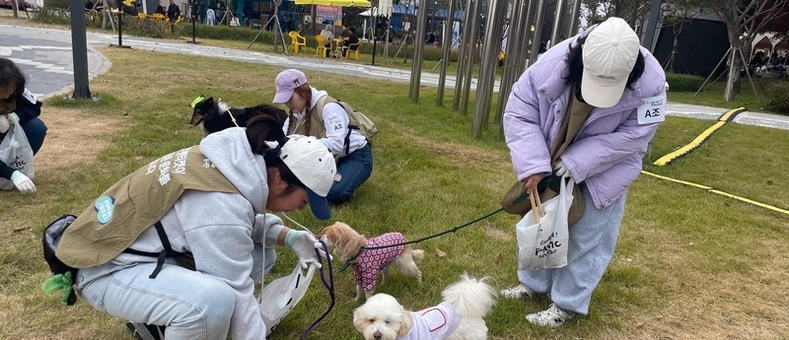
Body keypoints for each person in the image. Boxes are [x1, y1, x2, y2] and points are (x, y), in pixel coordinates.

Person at [55, 116, 336, 340]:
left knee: (262, 255)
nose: (301, 209)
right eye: (304, 200)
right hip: (104, 269)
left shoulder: (235, 162)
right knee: (212, 304)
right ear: (278, 178)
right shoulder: (221, 201)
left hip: (128, 251)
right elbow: (234, 278)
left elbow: (231, 228)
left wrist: (289, 237)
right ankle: (183, 317)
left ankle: (162, 325)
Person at [500, 17, 666, 328]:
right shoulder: (550, 64)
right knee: (543, 223)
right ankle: (533, 285)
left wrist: (578, 162)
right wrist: (534, 164)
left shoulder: (652, 84)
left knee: (588, 236)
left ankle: (567, 304)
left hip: (608, 170)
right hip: (553, 156)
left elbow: (636, 136)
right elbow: (520, 112)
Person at [273, 69, 373, 204]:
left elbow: (336, 145)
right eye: (284, 100)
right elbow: (283, 143)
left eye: (290, 98)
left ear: (303, 91)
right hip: (325, 161)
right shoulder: (295, 114)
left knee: (332, 193)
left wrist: (302, 142)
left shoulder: (329, 107)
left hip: (354, 156)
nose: (288, 104)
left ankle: (348, 177)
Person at [0, 58, 47, 194]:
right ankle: (9, 173)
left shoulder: (16, 90)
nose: (8, 94)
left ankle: (16, 168)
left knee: (36, 128)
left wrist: (12, 118)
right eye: (3, 91)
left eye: (11, 90)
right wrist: (12, 174)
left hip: (7, 136)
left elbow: (35, 107)